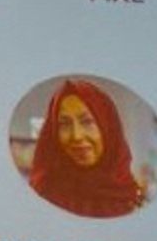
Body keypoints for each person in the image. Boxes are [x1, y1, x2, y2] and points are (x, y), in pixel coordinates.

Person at [27, 78, 147, 219]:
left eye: (87, 122)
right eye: (64, 124)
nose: (76, 136)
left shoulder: (132, 200)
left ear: (108, 128)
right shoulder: (41, 194)